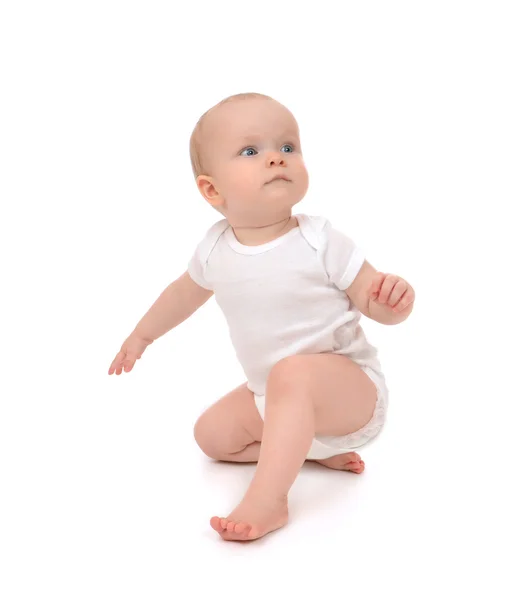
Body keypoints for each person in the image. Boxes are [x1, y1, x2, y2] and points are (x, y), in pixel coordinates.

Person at [108, 93, 415, 541]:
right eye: (251, 151)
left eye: (288, 147)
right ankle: (311, 450)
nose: (276, 159)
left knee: (291, 374)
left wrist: (392, 301)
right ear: (213, 190)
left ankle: (269, 499)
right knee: (211, 437)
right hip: (273, 395)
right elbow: (180, 296)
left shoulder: (319, 239)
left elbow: (373, 300)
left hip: (351, 392)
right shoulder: (214, 251)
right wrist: (141, 337)